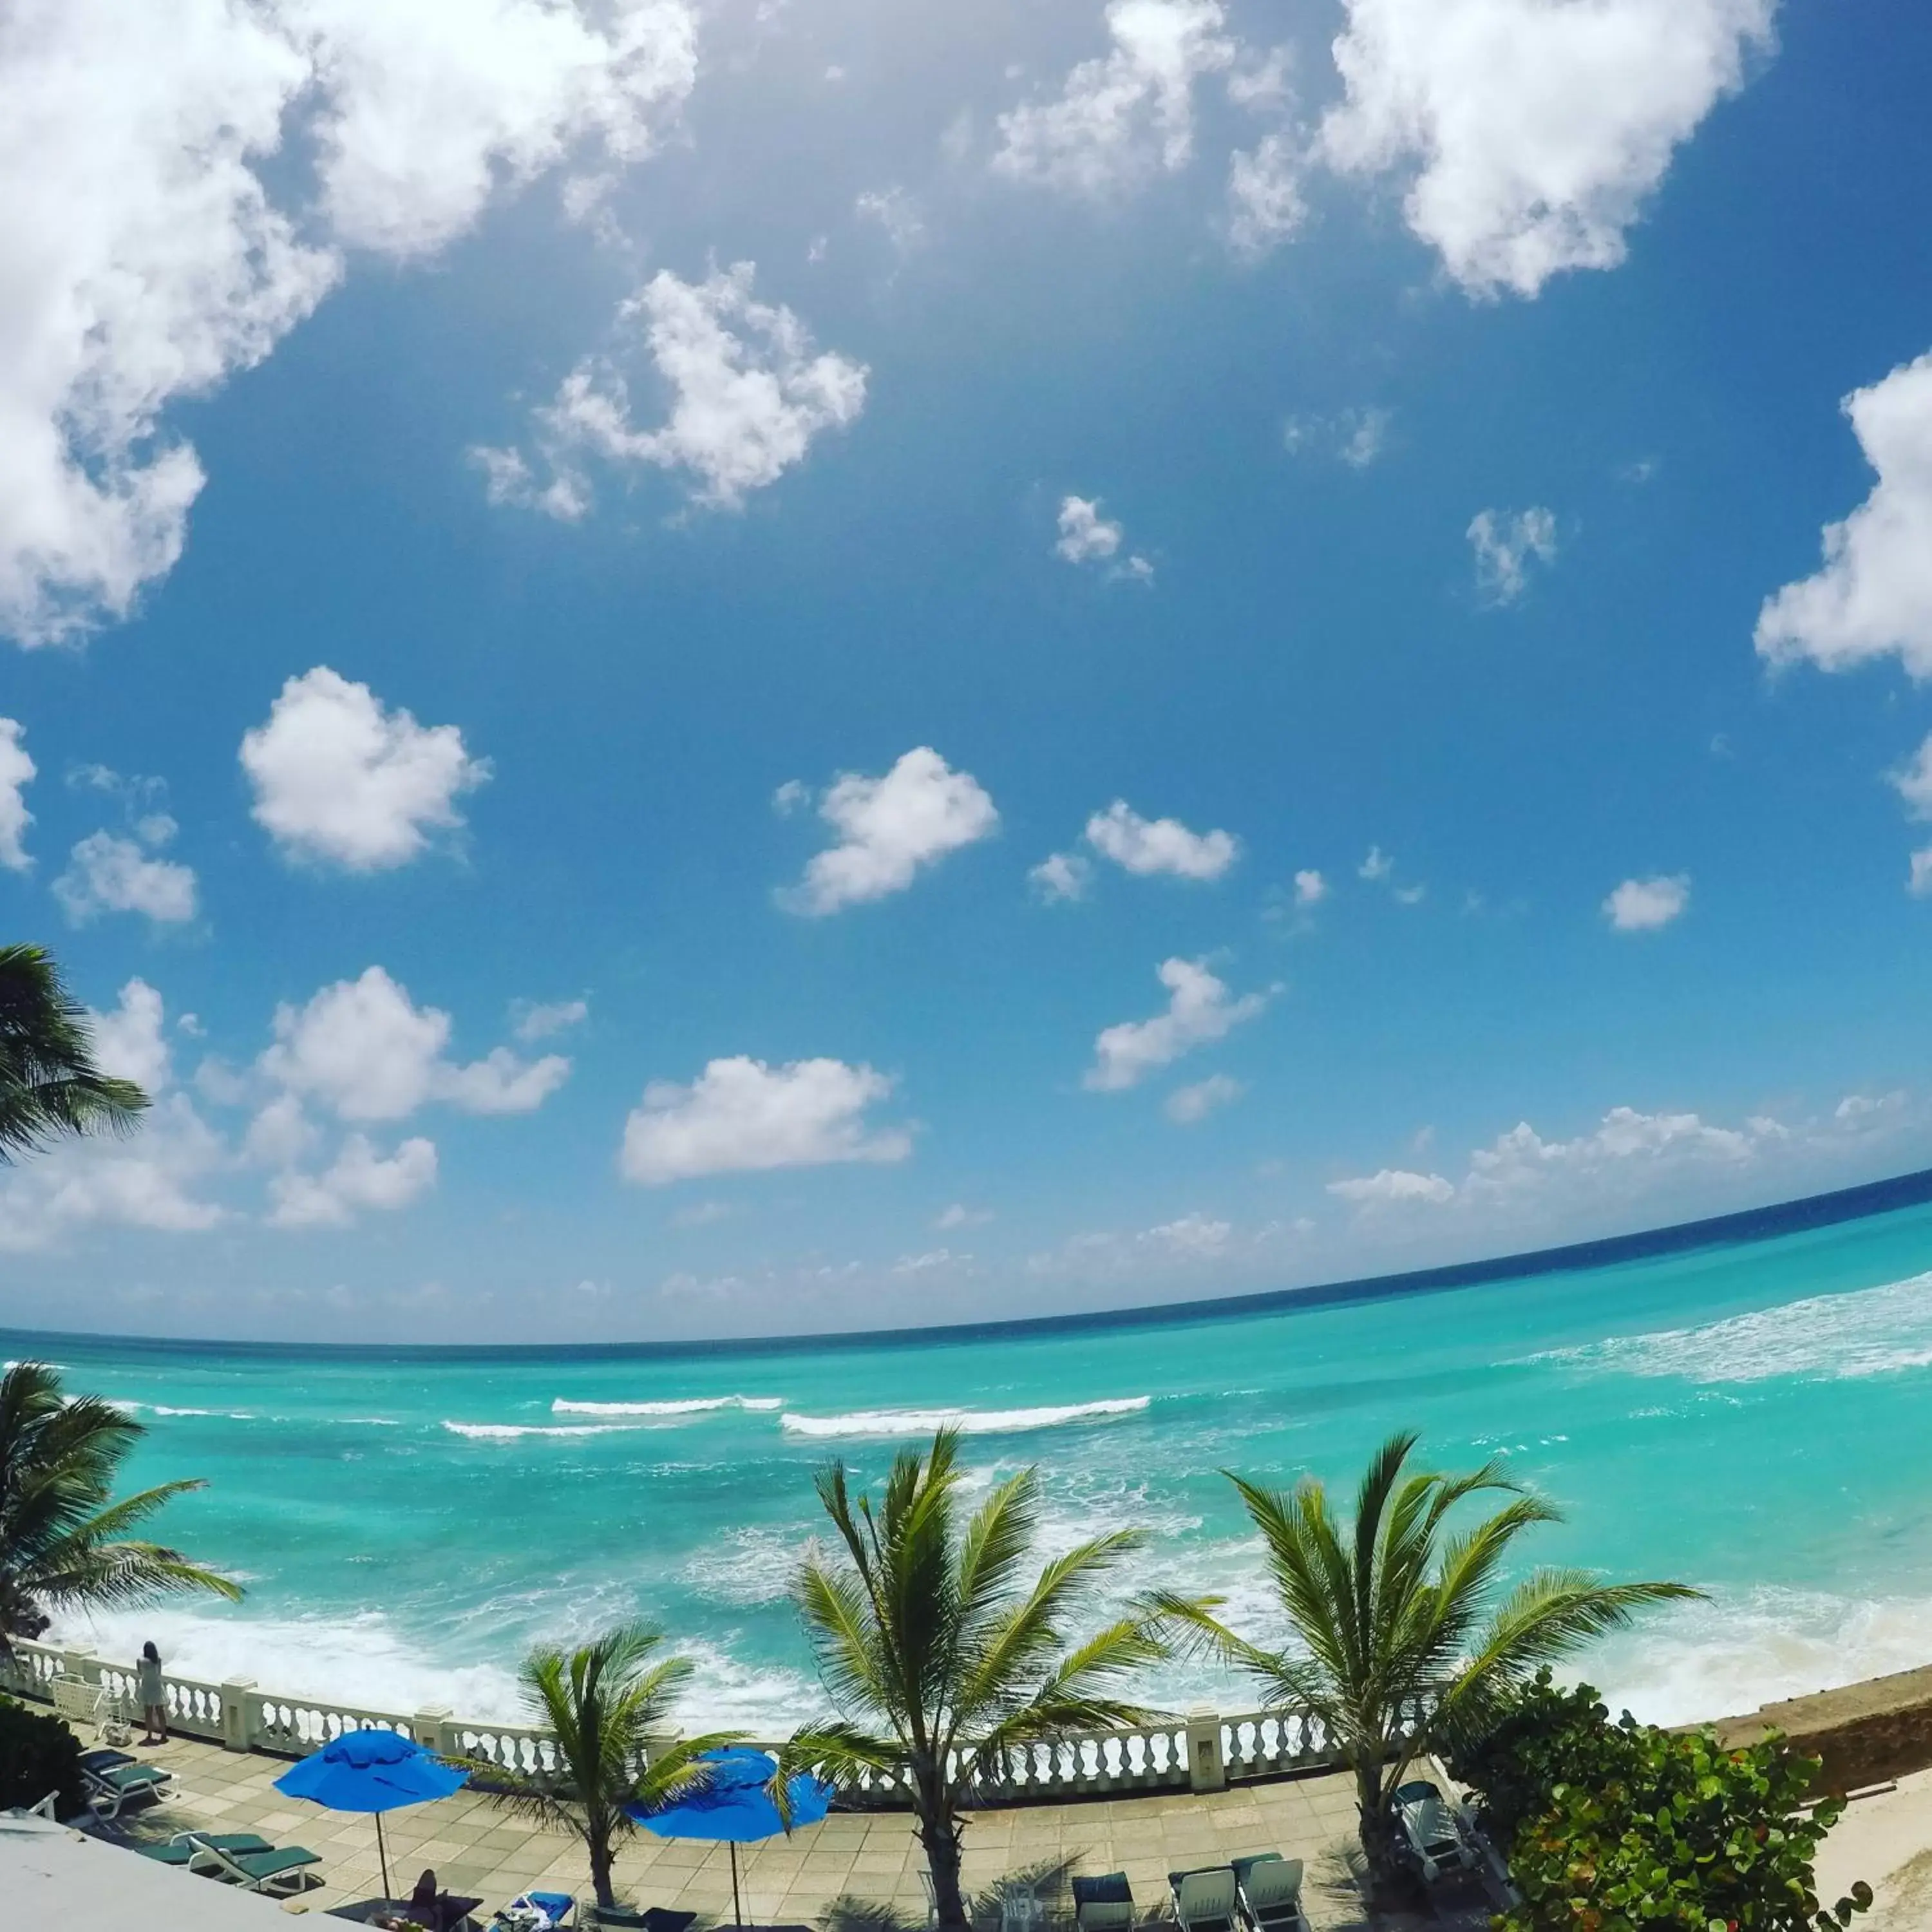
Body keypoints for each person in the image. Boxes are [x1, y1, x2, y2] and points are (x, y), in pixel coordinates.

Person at [135, 1640, 167, 1746]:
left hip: (146, 1687)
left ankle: (150, 1735)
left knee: (148, 1713)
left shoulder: (140, 1661)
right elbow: (159, 1673)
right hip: (156, 1687)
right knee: (160, 1712)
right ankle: (163, 1735)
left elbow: (140, 1673)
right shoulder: (158, 1660)